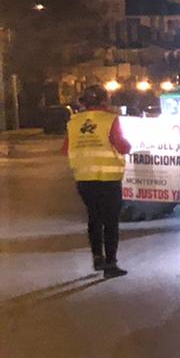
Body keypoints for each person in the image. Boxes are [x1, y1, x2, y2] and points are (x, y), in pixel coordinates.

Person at [64, 84, 131, 278]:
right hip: (108, 178)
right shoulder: (110, 119)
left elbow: (66, 147)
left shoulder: (74, 121)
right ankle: (111, 264)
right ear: (105, 100)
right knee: (110, 221)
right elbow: (122, 146)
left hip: (84, 178)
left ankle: (97, 257)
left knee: (94, 217)